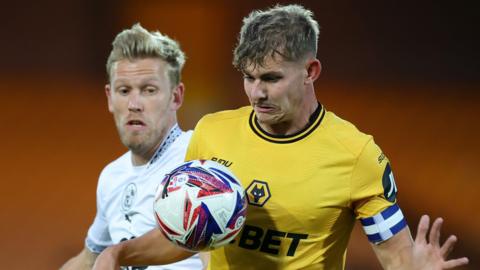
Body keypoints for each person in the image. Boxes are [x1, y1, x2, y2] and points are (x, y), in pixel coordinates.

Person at [92, 5, 469, 270]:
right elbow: (189, 234)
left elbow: (398, 259)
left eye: (271, 79)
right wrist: (119, 254)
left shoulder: (356, 156)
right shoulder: (212, 132)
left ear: (311, 71)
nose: (257, 93)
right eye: (249, 77)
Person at [60, 24, 205, 269]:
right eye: (124, 91)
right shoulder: (112, 176)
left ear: (176, 97)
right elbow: (89, 259)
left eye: (149, 90)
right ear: (109, 97)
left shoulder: (199, 158)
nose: (134, 104)